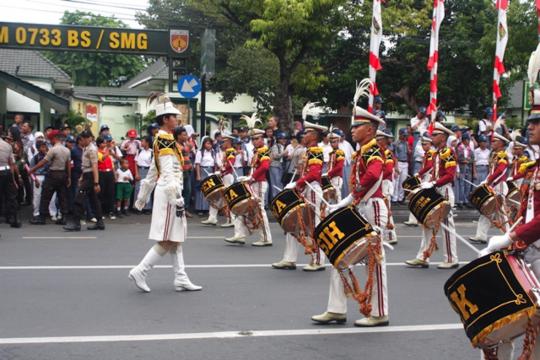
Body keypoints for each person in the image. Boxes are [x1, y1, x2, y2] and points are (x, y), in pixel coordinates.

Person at [312, 105, 389, 327]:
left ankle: (379, 312)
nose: (352, 130)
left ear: (370, 130)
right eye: (353, 126)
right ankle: (336, 309)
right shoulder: (362, 151)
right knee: (341, 255)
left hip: (372, 207)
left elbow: (374, 175)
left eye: (357, 126)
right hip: (360, 207)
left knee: (374, 262)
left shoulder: (373, 150)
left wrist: (349, 198)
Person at [480, 110, 540, 360]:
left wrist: (510, 237)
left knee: (536, 324)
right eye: (530, 123)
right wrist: (505, 241)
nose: (530, 127)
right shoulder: (534, 168)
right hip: (528, 248)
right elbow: (528, 212)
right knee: (500, 319)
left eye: (537, 124)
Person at [130, 94, 201, 293]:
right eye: (173, 117)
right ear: (165, 119)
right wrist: (175, 197)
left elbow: (154, 170)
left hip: (168, 190)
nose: (177, 119)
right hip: (170, 192)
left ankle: (180, 277)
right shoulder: (165, 139)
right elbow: (167, 170)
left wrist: (143, 195)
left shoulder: (162, 138)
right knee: (168, 239)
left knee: (176, 237)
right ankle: (141, 270)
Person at [404, 122, 458, 269]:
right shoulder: (437, 153)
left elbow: (450, 175)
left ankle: (451, 259)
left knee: (446, 227)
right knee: (427, 223)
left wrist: (434, 183)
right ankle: (423, 257)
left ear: (443, 137)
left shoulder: (448, 152)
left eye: (435, 135)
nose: (432, 137)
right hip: (435, 190)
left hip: (444, 191)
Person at [278, 119, 327, 271]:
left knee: (314, 226)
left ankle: (318, 260)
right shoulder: (308, 151)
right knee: (293, 223)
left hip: (312, 190)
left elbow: (314, 173)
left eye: (306, 133)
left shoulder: (317, 151)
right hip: (305, 189)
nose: (303, 136)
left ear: (313, 136)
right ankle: (289, 259)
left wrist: (298, 184)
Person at [225, 123, 273, 247]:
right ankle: (240, 235)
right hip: (254, 183)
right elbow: (255, 167)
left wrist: (252, 177)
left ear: (262, 139)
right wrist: (248, 176)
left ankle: (266, 238)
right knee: (245, 208)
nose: (255, 141)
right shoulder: (257, 151)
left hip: (259, 183)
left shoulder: (263, 150)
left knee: (260, 210)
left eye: (257, 139)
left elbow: (265, 167)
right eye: (253, 139)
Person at [469, 133, 510, 244]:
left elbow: (501, 171)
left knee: (501, 213)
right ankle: (481, 236)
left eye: (494, 141)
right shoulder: (495, 155)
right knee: (486, 210)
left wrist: (489, 181)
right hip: (493, 185)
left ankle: (509, 236)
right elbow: (492, 171)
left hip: (499, 185)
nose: (492, 143)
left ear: (501, 143)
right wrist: (486, 182)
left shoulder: (502, 155)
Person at [63, 130, 105, 231]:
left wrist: (96, 183)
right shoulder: (86, 148)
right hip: (87, 175)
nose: (82, 141)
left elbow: (94, 166)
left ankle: (76, 224)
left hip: (90, 177)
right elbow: (86, 166)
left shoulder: (91, 149)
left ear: (89, 138)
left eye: (84, 139)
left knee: (78, 198)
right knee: (94, 200)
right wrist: (82, 176)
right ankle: (100, 222)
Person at [28, 130, 71, 225]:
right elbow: (68, 165)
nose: (49, 142)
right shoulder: (67, 150)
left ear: (55, 139)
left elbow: (44, 162)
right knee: (62, 197)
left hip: (53, 175)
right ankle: (64, 217)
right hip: (63, 175)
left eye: (50, 139)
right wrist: (69, 178)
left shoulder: (53, 150)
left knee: (45, 196)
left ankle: (41, 218)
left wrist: (32, 169)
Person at [203, 133, 236, 227]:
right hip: (223, 176)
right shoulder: (226, 151)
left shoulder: (230, 151)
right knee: (216, 197)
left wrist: (223, 169)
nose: (222, 143)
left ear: (229, 142)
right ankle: (212, 217)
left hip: (227, 176)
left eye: (224, 141)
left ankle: (231, 220)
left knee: (226, 198)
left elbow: (231, 163)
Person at [403, 134, 436, 227]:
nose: (423, 146)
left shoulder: (431, 153)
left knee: (421, 198)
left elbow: (429, 166)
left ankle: (419, 219)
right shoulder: (427, 153)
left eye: (425, 144)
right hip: (426, 177)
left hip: (428, 178)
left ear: (430, 144)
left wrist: (419, 173)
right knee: (419, 198)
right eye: (422, 144)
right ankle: (415, 219)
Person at [376, 129, 397, 245]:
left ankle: (390, 235)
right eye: (377, 139)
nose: (377, 141)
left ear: (384, 140)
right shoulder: (380, 152)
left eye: (379, 139)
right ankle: (389, 234)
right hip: (381, 182)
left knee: (386, 208)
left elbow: (388, 170)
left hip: (385, 182)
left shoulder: (387, 153)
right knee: (383, 208)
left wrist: (378, 175)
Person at [29, 141, 58, 223]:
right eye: (42, 147)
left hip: (48, 177)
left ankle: (52, 213)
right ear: (38, 148)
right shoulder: (35, 158)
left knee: (52, 196)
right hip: (38, 177)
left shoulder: (50, 157)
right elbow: (31, 170)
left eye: (45, 146)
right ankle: (36, 213)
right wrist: (34, 179)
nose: (44, 148)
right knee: (37, 196)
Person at [0, 134, 21, 227]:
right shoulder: (7, 145)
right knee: (11, 197)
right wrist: (13, 180)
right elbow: (11, 163)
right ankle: (13, 219)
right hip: (7, 171)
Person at [195, 137, 218, 218]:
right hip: (203, 170)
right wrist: (198, 175)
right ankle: (200, 208)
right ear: (204, 144)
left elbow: (215, 164)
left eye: (210, 144)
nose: (209, 145)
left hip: (210, 171)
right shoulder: (200, 152)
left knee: (209, 190)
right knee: (202, 190)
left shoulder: (213, 152)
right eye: (207, 143)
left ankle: (207, 208)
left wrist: (215, 173)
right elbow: (197, 164)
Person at [96, 136, 117, 219]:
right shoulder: (97, 152)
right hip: (101, 173)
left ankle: (111, 211)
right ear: (99, 144)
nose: (105, 144)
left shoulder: (106, 151)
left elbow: (111, 164)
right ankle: (101, 212)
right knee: (102, 193)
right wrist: (109, 148)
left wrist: (114, 174)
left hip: (109, 173)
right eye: (103, 143)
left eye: (105, 143)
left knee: (111, 192)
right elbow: (102, 158)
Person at [175, 127, 193, 217]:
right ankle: (179, 209)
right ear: (178, 136)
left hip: (187, 170)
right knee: (180, 191)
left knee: (188, 190)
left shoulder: (184, 144)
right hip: (180, 171)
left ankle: (185, 209)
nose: (186, 136)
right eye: (184, 135)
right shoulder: (176, 145)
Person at [134, 136, 153, 214]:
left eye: (143, 141)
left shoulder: (152, 152)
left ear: (147, 142)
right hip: (140, 170)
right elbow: (136, 163)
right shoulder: (139, 151)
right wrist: (137, 173)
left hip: (148, 171)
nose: (141, 143)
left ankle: (147, 208)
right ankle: (138, 207)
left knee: (147, 189)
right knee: (138, 189)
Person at [456, 133, 475, 208]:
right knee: (462, 184)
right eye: (468, 139)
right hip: (461, 168)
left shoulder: (470, 148)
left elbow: (473, 158)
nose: (468, 141)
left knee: (468, 185)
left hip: (468, 168)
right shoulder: (459, 148)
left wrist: (468, 161)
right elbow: (458, 158)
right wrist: (464, 160)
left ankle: (466, 200)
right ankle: (461, 201)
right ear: (464, 140)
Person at [326, 130, 345, 202]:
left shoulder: (340, 152)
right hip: (331, 177)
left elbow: (339, 167)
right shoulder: (331, 153)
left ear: (338, 141)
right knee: (331, 196)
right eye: (331, 142)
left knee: (337, 196)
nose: (332, 144)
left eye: (334, 142)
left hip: (336, 177)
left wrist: (329, 174)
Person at [392, 128, 409, 203]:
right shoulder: (396, 143)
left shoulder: (406, 143)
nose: (405, 137)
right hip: (398, 162)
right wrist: (395, 167)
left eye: (406, 136)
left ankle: (400, 198)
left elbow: (408, 153)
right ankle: (395, 198)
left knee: (403, 181)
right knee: (396, 181)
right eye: (404, 135)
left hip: (405, 162)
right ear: (400, 135)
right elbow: (394, 156)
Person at [269, 130, 287, 199]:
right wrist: (283, 153)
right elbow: (275, 155)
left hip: (279, 166)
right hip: (274, 166)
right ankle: (275, 198)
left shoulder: (282, 146)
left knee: (279, 182)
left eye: (284, 138)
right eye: (282, 138)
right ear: (278, 139)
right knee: (275, 183)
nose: (284, 140)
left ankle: (280, 197)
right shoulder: (275, 146)